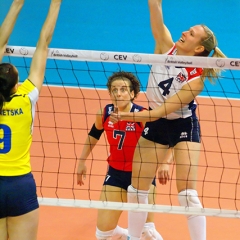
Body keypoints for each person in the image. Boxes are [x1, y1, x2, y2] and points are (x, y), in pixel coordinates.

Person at [110, 0, 227, 240]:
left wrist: (126, 115)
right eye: (188, 29)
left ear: (197, 49)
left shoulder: (196, 80)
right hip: (156, 124)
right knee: (136, 191)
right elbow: (156, 9)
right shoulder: (165, 46)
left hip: (182, 125)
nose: (185, 32)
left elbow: (159, 112)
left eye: (192, 33)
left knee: (187, 195)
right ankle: (134, 237)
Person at [77, 71, 166, 240]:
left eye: (123, 89)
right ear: (110, 93)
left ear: (133, 94)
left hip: (142, 176)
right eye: (114, 90)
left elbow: (166, 138)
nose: (118, 93)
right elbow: (94, 134)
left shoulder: (143, 115)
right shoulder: (104, 113)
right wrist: (82, 161)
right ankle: (125, 234)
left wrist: (165, 163)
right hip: (116, 173)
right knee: (103, 235)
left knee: (146, 231)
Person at [0, 1, 62, 239]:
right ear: (17, 85)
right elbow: (43, 45)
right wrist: (55, 4)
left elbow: (1, 42)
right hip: (19, 186)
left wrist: (16, 4)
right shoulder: (26, 98)